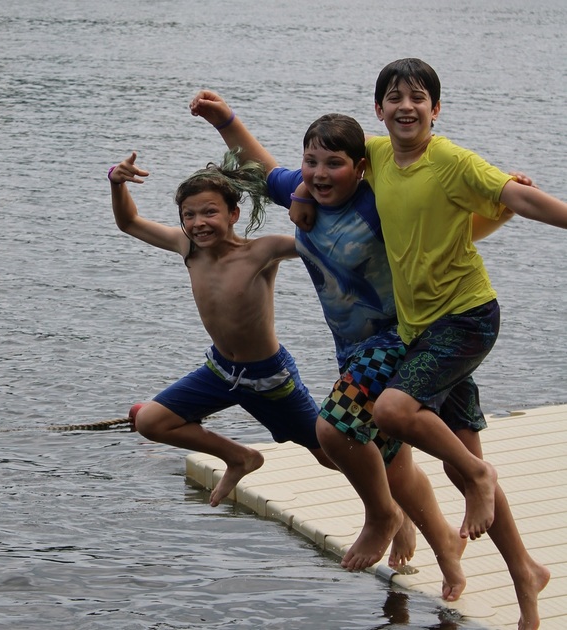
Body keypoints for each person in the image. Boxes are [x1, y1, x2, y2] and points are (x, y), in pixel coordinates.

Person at [188, 89, 507, 600]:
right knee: (391, 462)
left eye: (333, 163)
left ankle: (382, 518)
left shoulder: (379, 200)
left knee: (334, 433)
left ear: (359, 167)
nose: (318, 172)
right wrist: (224, 118)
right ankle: (447, 553)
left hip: (398, 337)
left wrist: (505, 207)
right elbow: (260, 164)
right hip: (353, 350)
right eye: (311, 161)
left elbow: (450, 223)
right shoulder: (304, 189)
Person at [362, 57, 562, 630]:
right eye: (394, 97)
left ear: (436, 109)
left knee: (394, 411)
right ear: (378, 109)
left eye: (418, 97)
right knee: (461, 458)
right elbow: (303, 173)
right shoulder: (374, 156)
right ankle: (526, 573)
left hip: (467, 318)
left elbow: (520, 198)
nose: (406, 106)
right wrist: (228, 128)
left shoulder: (449, 160)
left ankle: (479, 481)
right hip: (421, 329)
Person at [108, 149, 336, 513]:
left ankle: (390, 507)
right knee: (151, 421)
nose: (199, 222)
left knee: (329, 453)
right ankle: (240, 457)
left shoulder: (262, 252)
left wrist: (306, 194)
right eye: (189, 215)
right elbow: (129, 222)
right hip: (220, 371)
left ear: (233, 214)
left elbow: (324, 238)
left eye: (210, 212)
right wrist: (116, 183)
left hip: (269, 379)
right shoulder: (188, 249)